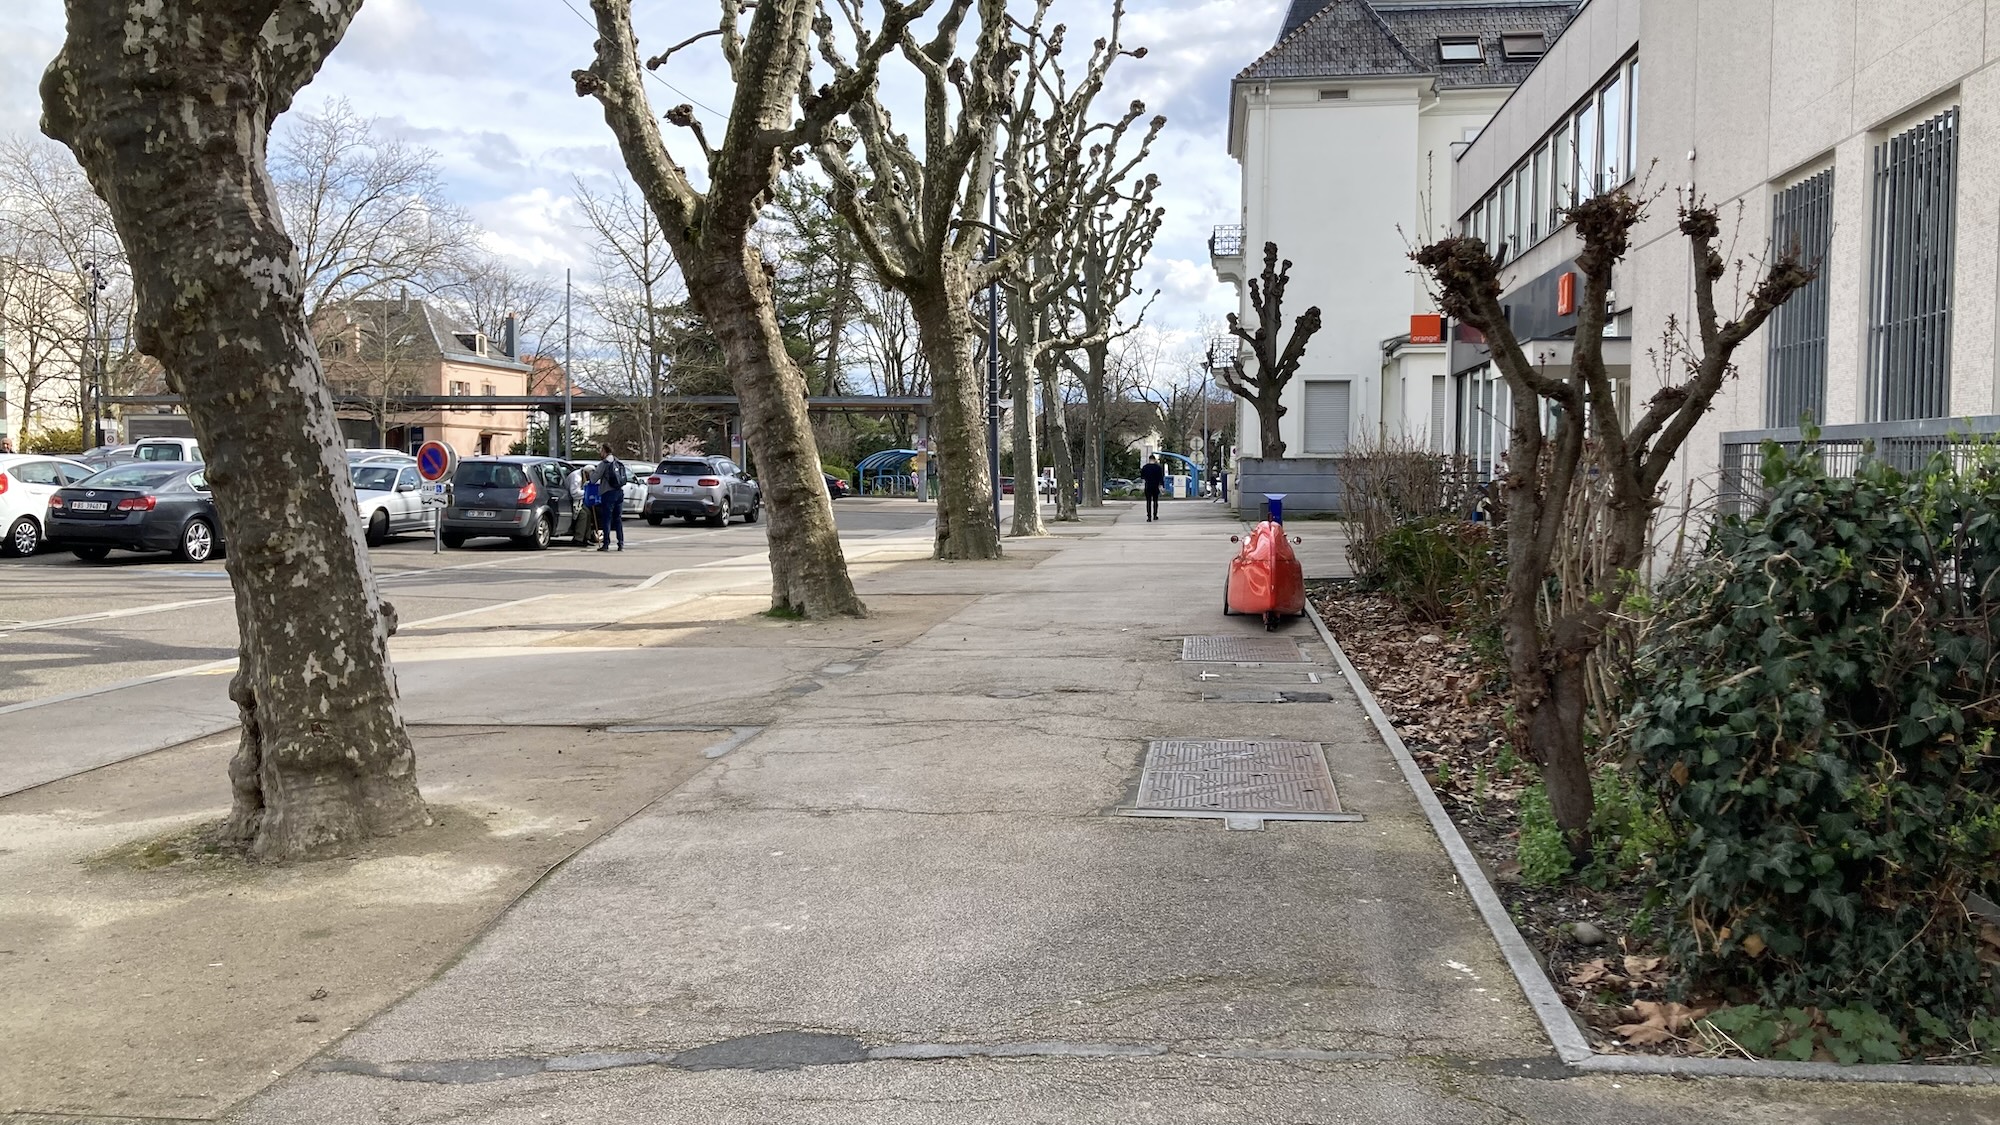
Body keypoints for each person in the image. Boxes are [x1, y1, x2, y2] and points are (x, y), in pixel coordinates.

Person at [594, 443, 626, 551]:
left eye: (601, 450)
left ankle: (606, 543)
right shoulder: (618, 462)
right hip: (619, 492)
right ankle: (620, 543)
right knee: (618, 519)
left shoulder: (604, 463)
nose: (600, 453)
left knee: (606, 519)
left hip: (608, 493)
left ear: (604, 451)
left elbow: (594, 479)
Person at [567, 461, 598, 546]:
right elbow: (574, 493)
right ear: (587, 473)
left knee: (588, 513)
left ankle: (586, 537)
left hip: (580, 500)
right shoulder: (576, 477)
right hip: (570, 500)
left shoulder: (584, 477)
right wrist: (587, 493)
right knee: (583, 514)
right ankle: (578, 538)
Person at [1140, 454, 1166, 522]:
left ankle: (1149, 517)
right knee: (1155, 501)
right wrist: (1162, 486)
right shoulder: (1158, 467)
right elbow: (1161, 478)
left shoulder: (1145, 467)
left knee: (1148, 501)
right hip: (1155, 486)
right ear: (1154, 460)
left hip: (1148, 485)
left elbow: (1142, 477)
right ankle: (1155, 515)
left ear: (1149, 459)